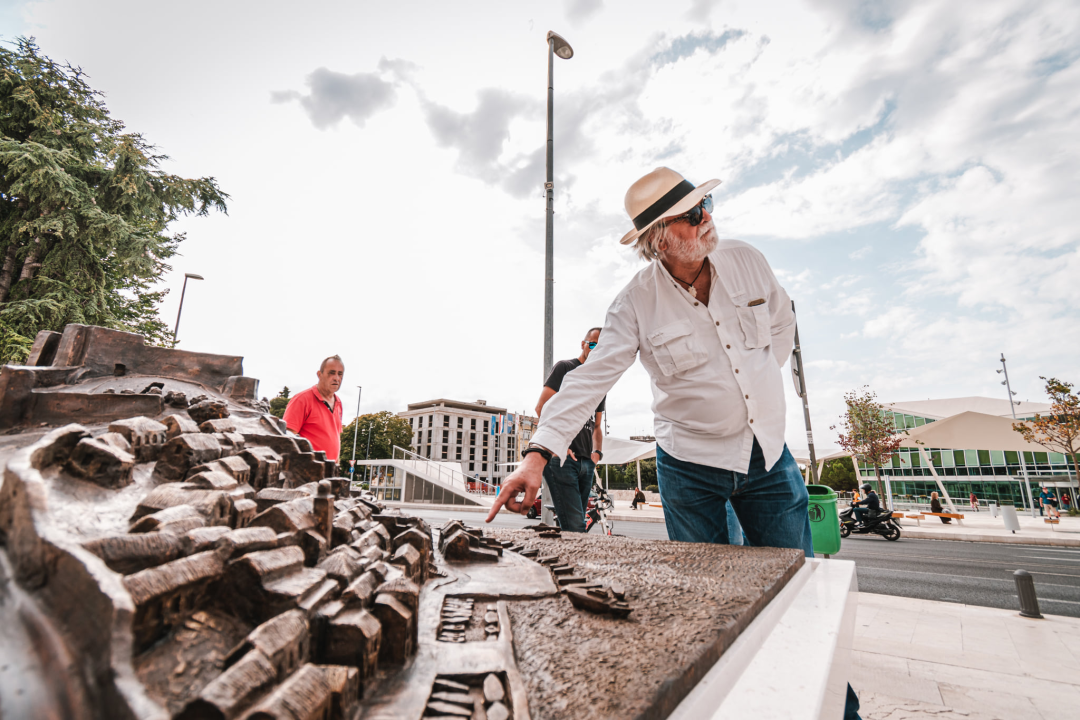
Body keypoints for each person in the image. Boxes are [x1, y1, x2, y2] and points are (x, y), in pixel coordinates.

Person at [487, 167, 860, 718]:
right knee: (707, 601)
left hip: (768, 456)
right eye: (692, 214)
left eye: (706, 203)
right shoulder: (634, 303)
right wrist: (537, 457)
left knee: (795, 589)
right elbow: (586, 382)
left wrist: (756, 394)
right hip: (690, 467)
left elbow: (782, 324)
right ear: (661, 239)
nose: (707, 216)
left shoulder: (747, 260)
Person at [534, 327, 606, 532]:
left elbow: (597, 425)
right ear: (583, 344)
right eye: (592, 344)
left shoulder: (600, 382)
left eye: (601, 347)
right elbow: (541, 408)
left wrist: (596, 454)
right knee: (576, 527)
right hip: (562, 459)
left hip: (586, 463)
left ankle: (563, 561)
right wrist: (559, 445)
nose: (595, 349)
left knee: (575, 526)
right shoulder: (565, 368)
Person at [283, 355, 345, 462]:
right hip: (308, 471)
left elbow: (336, 439)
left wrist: (336, 465)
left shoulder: (338, 402)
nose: (336, 378)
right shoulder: (302, 399)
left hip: (329, 472)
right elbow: (287, 439)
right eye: (331, 373)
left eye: (340, 374)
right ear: (319, 374)